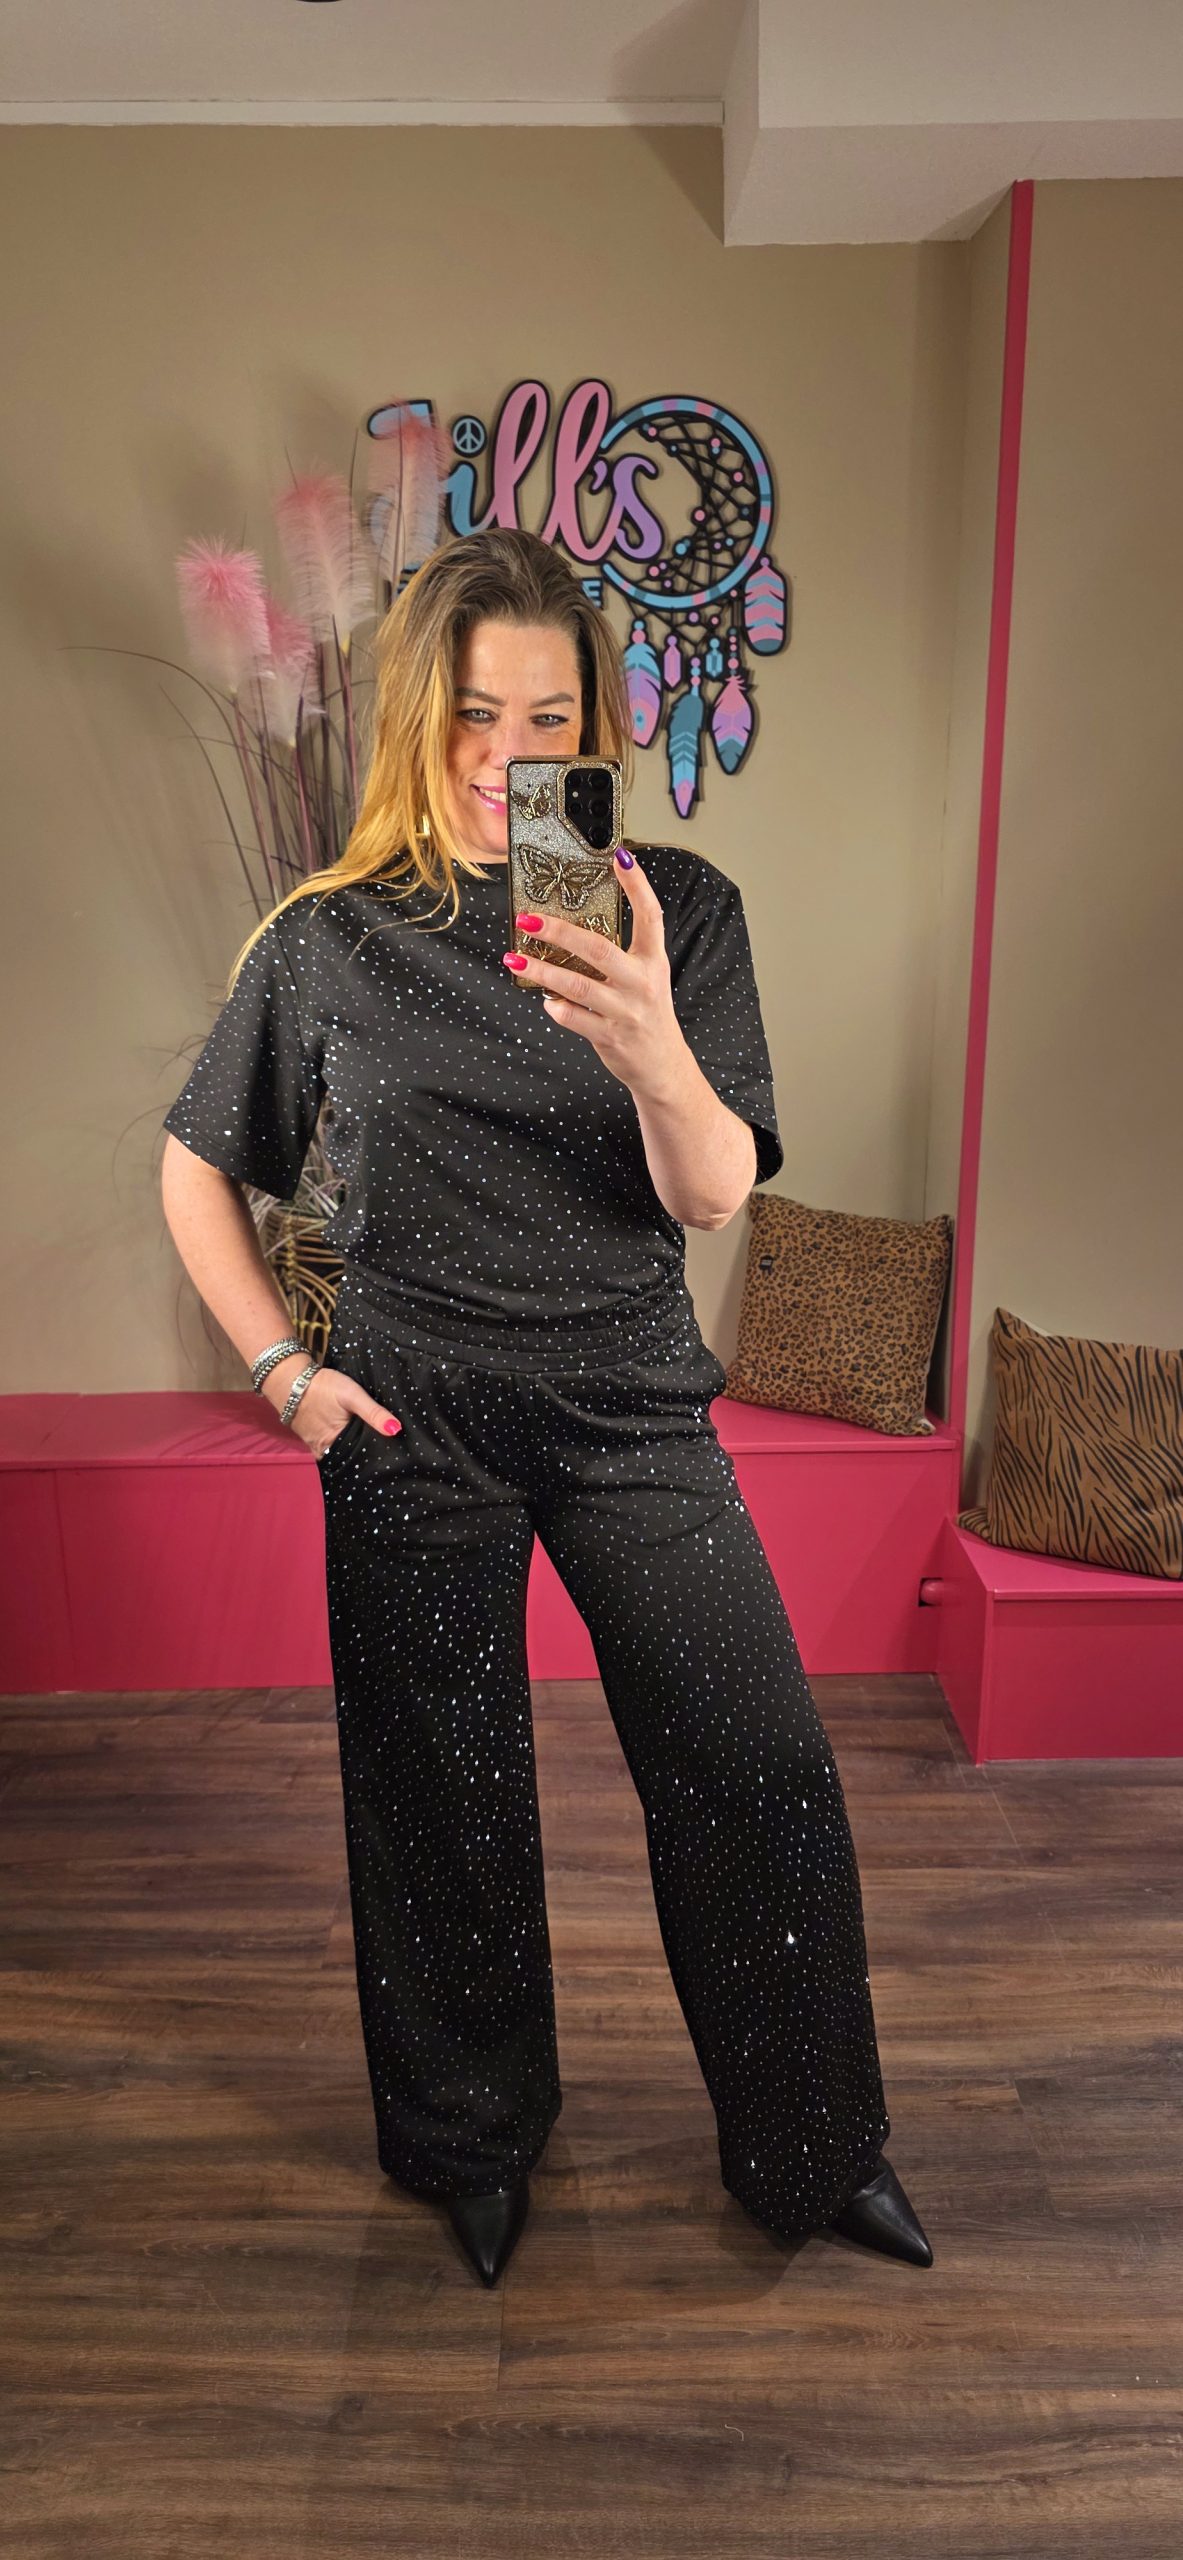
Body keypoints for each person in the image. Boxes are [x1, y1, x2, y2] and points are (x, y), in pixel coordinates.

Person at [160, 526, 932, 2288]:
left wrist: (649, 1032)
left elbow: (715, 1193)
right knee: (441, 1796)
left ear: (597, 727)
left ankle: (817, 2146)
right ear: (416, 720)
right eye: (472, 713)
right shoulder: (330, 937)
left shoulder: (678, 910)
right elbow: (199, 1162)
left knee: (757, 1766)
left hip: (630, 1410)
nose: (505, 752)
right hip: (408, 1421)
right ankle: (471, 2142)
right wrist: (285, 1373)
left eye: (548, 716)